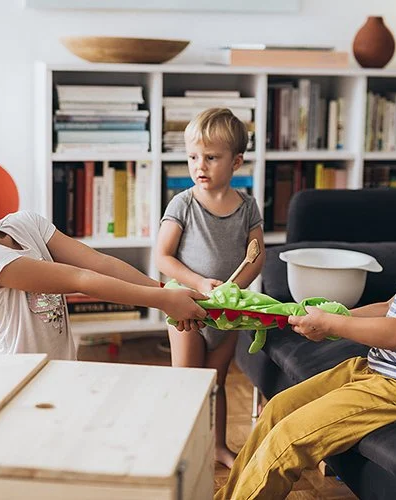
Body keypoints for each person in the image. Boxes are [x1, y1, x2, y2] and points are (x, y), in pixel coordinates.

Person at [215, 134, 396, 499]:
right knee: (277, 411)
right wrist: (335, 315)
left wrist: (333, 325)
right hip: (376, 371)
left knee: (290, 439)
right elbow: (392, 306)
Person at [0, 143, 206, 361]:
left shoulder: (24, 223)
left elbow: (97, 262)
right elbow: (82, 278)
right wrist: (162, 301)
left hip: (60, 369)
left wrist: (163, 290)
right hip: (15, 383)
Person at [155, 108, 265, 469]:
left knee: (217, 383)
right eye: (192, 157)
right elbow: (163, 257)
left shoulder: (247, 207)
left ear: (236, 162)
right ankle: (179, 448)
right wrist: (200, 283)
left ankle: (217, 446)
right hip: (186, 306)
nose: (199, 166)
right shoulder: (183, 204)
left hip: (225, 314)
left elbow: (256, 257)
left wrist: (234, 293)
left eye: (212, 157)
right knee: (189, 384)